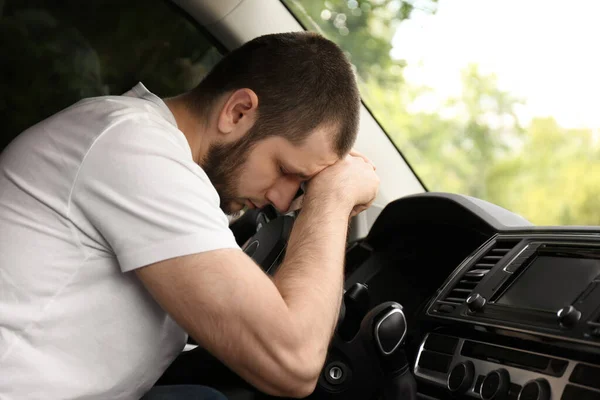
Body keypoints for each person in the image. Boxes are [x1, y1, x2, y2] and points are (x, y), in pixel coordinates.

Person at [0, 32, 379, 399]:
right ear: (238, 111)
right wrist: (333, 197)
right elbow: (293, 362)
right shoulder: (133, 147)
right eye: (284, 169)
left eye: (302, 186)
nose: (282, 202)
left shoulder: (156, 154)